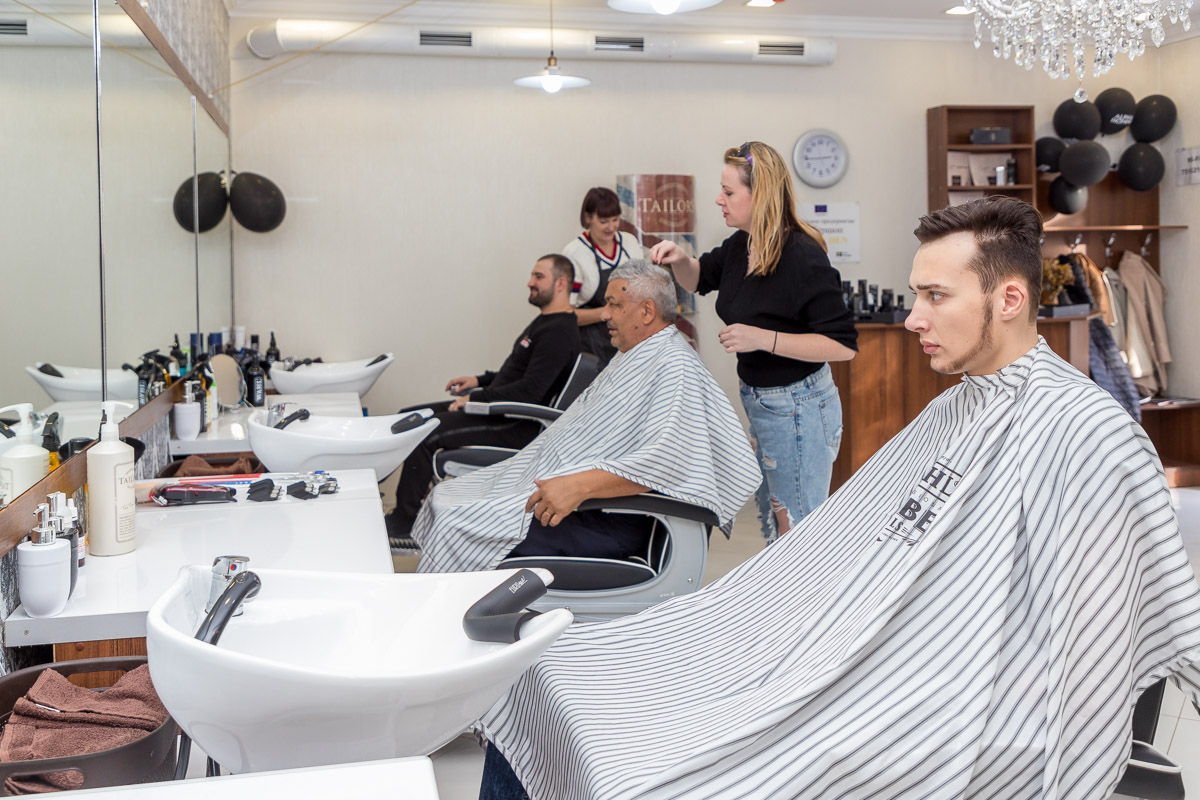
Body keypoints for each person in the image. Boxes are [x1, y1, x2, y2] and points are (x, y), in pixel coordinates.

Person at [476, 197, 1200, 800]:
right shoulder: (960, 404)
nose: (912, 318)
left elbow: (1093, 646)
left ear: (1009, 299)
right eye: (915, 294)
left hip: (946, 687)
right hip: (840, 636)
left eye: (935, 296)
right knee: (546, 672)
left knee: (639, 762)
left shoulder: (1088, 432)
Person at [413, 260, 761, 574]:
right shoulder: (637, 353)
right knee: (447, 497)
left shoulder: (673, 366)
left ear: (646, 311)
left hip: (613, 517)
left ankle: (449, 617)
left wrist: (577, 486)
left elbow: (666, 460)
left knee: (457, 521)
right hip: (579, 498)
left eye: (614, 304)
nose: (605, 314)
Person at [650, 141, 857, 545]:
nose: (718, 199)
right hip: (763, 403)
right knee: (776, 521)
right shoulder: (740, 245)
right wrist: (680, 260)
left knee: (797, 528)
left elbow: (842, 346)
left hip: (798, 407)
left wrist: (761, 338)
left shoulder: (802, 255)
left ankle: (805, 588)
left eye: (728, 192)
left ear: (759, 195)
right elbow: (698, 278)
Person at [383, 255, 581, 547]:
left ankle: (405, 522)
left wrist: (475, 399)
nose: (530, 282)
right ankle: (394, 499)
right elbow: (516, 374)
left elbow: (530, 392)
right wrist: (479, 381)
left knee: (424, 432)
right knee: (407, 417)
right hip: (496, 408)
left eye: (538, 276)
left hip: (515, 423)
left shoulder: (560, 332)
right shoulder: (546, 322)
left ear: (561, 283)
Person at [563, 187, 645, 369]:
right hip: (592, 346)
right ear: (588, 218)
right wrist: (609, 312)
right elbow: (566, 315)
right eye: (603, 221)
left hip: (631, 342)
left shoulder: (629, 243)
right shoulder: (575, 253)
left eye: (615, 220)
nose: (611, 227)